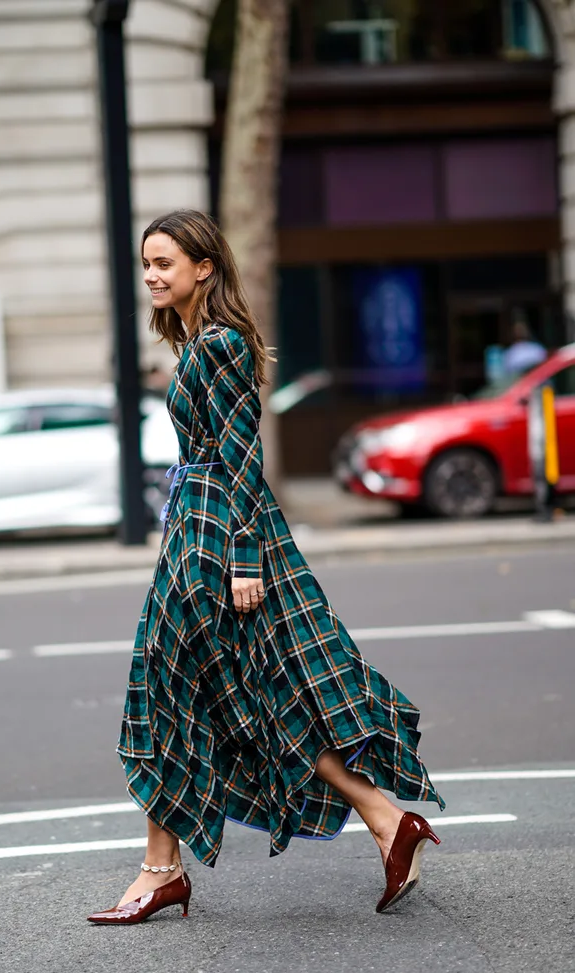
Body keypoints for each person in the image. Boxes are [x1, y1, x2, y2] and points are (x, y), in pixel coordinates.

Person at [87, 210, 444, 926]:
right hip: (196, 528)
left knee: (187, 687)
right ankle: (381, 819)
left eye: (166, 263)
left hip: (222, 539)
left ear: (205, 267)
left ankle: (164, 868)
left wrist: (243, 558)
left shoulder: (216, 345)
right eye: (147, 264)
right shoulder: (193, 343)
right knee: (229, 691)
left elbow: (244, 455)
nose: (154, 275)